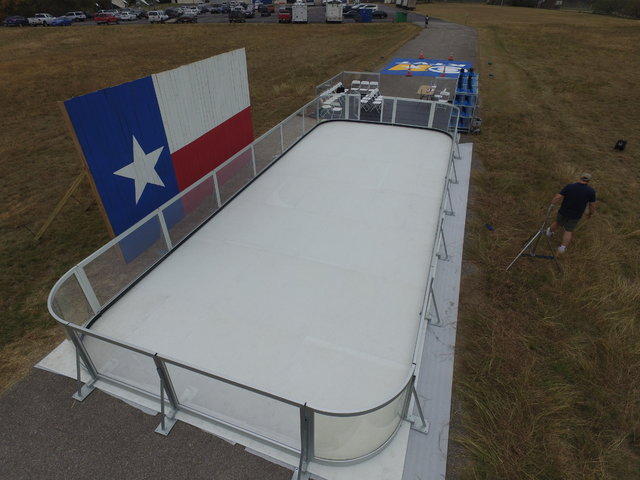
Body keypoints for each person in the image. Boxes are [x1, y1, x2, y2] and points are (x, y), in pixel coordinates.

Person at [546, 173, 596, 254]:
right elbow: (592, 205)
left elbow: (558, 197)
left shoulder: (570, 186)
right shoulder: (591, 191)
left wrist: (552, 204)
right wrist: (591, 213)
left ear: (580, 178)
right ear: (589, 181)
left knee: (558, 223)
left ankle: (548, 233)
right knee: (569, 230)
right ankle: (562, 248)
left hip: (563, 211)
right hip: (576, 215)